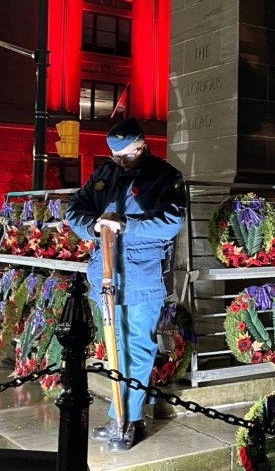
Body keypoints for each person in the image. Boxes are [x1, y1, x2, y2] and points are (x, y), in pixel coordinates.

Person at [66, 118, 187, 452]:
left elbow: (172, 221)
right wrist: (93, 225)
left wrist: (127, 225)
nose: (122, 160)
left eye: (128, 153)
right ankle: (120, 414)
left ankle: (128, 419)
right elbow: (75, 208)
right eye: (116, 155)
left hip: (142, 275)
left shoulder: (165, 176)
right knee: (114, 346)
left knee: (138, 347)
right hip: (105, 272)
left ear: (142, 143)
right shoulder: (105, 174)